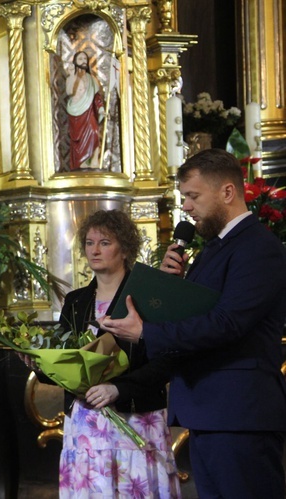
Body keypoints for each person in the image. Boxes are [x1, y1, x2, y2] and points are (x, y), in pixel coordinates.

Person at [102, 149, 286, 498]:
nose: (185, 206)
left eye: (193, 196)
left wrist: (147, 332)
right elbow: (204, 311)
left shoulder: (258, 247)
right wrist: (174, 289)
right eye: (184, 197)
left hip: (239, 413)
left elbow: (228, 322)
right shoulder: (215, 248)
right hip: (211, 411)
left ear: (227, 192)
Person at [54, 210, 181, 497]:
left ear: (124, 248)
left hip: (135, 418)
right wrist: (39, 364)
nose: (94, 250)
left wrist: (117, 389)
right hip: (86, 423)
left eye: (104, 243)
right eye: (89, 243)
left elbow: (165, 361)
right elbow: (64, 361)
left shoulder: (147, 297)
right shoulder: (76, 301)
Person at [65, 50, 105, 170]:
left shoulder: (92, 79)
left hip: (89, 112)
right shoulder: (72, 77)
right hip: (76, 112)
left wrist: (101, 109)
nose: (83, 61)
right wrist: (72, 75)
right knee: (78, 139)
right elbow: (69, 91)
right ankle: (80, 162)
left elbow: (96, 97)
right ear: (75, 61)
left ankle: (93, 161)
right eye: (80, 59)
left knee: (94, 133)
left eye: (85, 59)